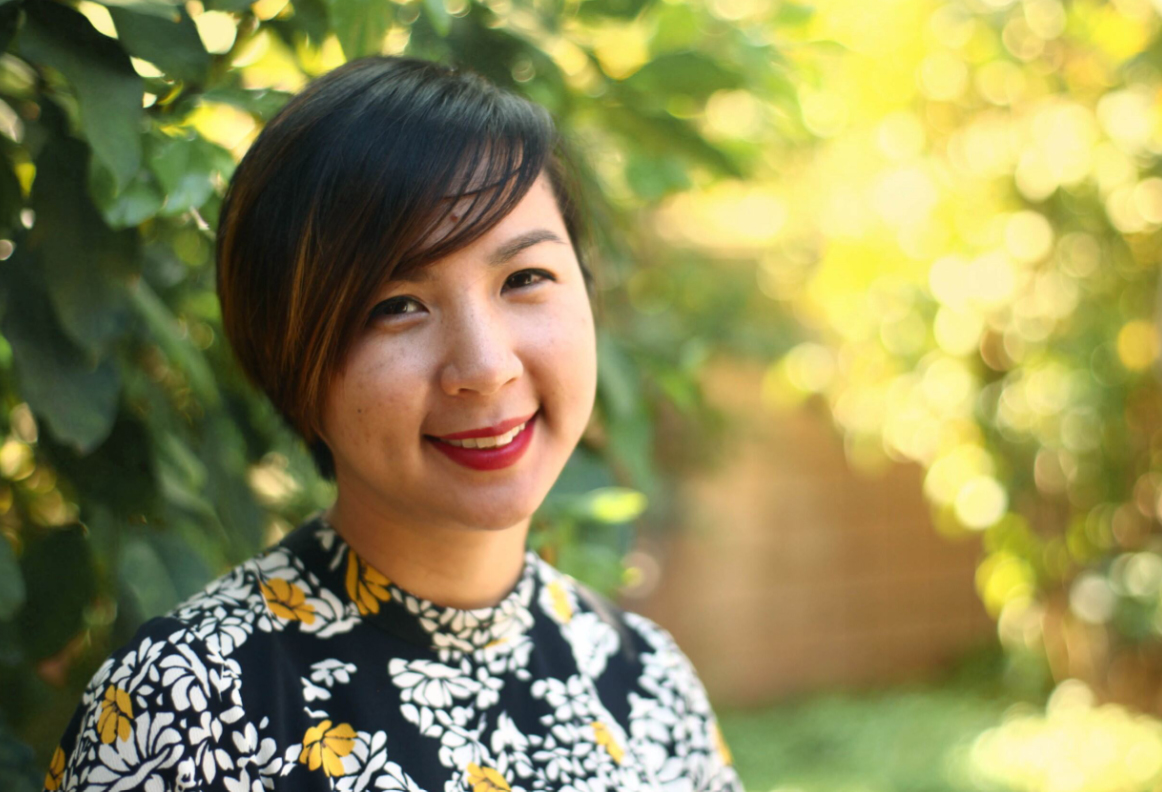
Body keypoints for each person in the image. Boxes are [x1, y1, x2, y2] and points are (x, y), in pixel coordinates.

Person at [42, 56, 743, 792]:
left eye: (523, 279)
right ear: (292, 362)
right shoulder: (187, 712)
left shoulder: (644, 686)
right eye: (395, 305)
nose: (484, 365)